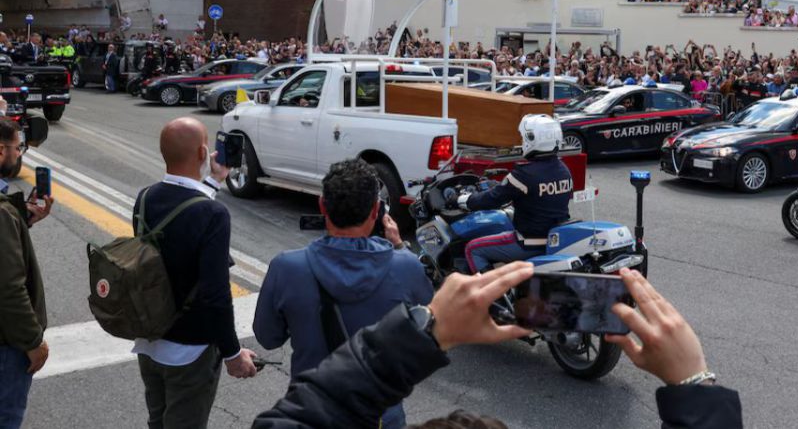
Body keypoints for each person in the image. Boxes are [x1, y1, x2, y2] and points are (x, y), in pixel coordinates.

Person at [253, 265, 742, 428]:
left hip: (516, 238)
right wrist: (693, 384)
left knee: (478, 250)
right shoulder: (552, 171)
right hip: (546, 238)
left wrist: (430, 330)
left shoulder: (523, 175)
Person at [254, 159, 433, 428]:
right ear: (376, 211)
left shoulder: (286, 267)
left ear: (322, 206)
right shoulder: (405, 267)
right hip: (381, 416)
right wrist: (399, 245)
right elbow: (427, 331)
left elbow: (267, 337)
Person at [133, 117, 258, 429]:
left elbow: (181, 219)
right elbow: (215, 294)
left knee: (158, 422)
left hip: (149, 341)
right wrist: (231, 354)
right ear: (204, 152)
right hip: (190, 351)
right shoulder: (213, 214)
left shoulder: (145, 197)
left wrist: (214, 182)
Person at [460, 115, 572, 273]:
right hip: (554, 239)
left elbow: (491, 199)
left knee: (472, 249)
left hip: (529, 242)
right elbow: (538, 195)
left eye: (524, 137)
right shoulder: (563, 169)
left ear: (532, 139)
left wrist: (465, 200)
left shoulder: (524, 174)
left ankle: (493, 295)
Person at [0, 117, 54, 429]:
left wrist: (26, 221)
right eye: (17, 147)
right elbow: (8, 287)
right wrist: (33, 341)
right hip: (7, 346)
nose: (19, 154)